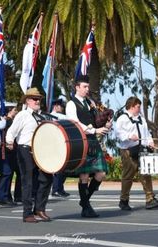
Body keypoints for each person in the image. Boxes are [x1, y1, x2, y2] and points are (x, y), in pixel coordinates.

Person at [65, 75, 111, 218]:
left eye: (87, 87)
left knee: (101, 173)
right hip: (81, 140)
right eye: (84, 87)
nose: (87, 89)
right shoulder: (71, 104)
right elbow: (75, 123)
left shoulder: (90, 103)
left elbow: (96, 121)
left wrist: (105, 124)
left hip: (92, 141)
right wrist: (94, 130)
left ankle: (84, 201)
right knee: (84, 175)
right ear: (77, 87)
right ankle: (86, 207)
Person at [6, 88, 54, 223]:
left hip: (40, 150)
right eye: (34, 99)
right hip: (25, 149)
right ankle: (27, 213)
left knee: (47, 178)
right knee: (28, 181)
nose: (38, 101)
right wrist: (9, 142)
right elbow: (12, 131)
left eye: (39, 99)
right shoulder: (23, 115)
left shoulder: (42, 116)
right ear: (27, 101)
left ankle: (39, 208)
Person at [115, 96, 158, 210]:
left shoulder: (141, 118)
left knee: (146, 173)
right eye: (138, 107)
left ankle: (150, 199)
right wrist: (129, 136)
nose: (139, 109)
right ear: (132, 106)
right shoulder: (122, 118)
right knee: (128, 176)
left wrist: (151, 142)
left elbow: (146, 133)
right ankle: (124, 200)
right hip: (128, 150)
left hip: (141, 148)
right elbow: (117, 134)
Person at [50, 99, 70, 198]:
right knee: (59, 169)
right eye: (61, 106)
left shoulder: (59, 116)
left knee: (64, 168)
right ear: (56, 106)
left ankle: (60, 189)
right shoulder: (55, 116)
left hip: (61, 144)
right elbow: (68, 118)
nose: (62, 108)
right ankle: (56, 189)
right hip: (56, 144)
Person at [3, 103, 22, 204]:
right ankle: (8, 196)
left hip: (15, 151)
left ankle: (18, 195)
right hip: (10, 151)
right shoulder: (8, 122)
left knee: (18, 173)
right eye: (15, 109)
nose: (16, 111)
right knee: (9, 174)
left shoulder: (12, 121)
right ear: (10, 110)